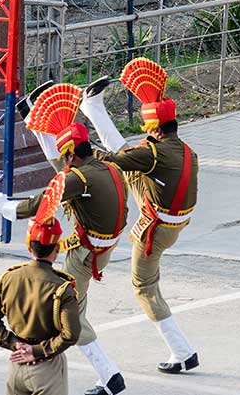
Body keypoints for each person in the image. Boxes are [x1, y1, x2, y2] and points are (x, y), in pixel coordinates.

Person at [0, 83, 128, 395]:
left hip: (85, 253)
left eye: (66, 155)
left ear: (72, 154)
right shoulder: (102, 165)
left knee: (72, 320)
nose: (64, 162)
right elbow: (64, 171)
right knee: (64, 173)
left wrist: (9, 208)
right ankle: (33, 118)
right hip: (102, 242)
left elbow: (46, 199)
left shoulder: (78, 179)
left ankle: (110, 377)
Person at [79, 60, 200, 374]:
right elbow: (131, 158)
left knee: (144, 289)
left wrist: (81, 149)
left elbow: (112, 159)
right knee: (131, 161)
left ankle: (183, 352)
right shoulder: (186, 150)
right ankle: (92, 107)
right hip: (172, 218)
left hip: (155, 228)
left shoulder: (153, 153)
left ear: (155, 129)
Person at [0, 216, 80, 395]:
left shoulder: (9, 278)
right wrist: (37, 351)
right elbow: (71, 334)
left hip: (16, 364)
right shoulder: (61, 288)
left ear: (29, 247)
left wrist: (15, 344)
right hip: (47, 367)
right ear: (57, 249)